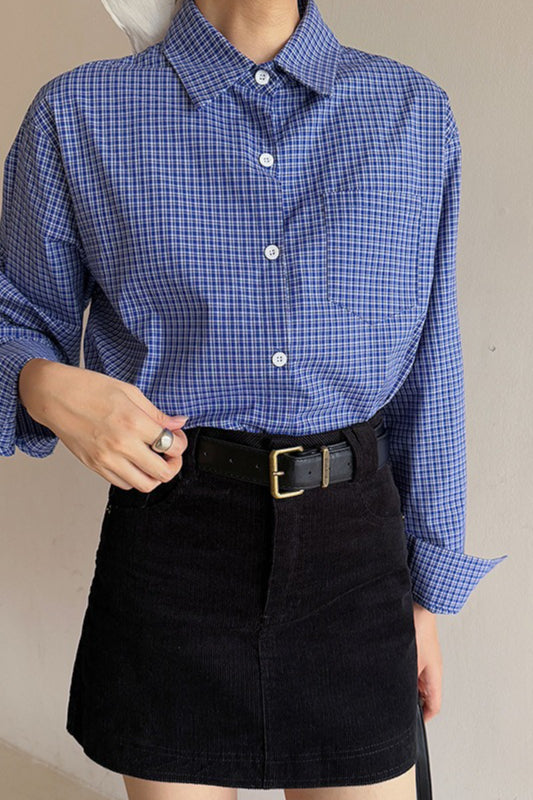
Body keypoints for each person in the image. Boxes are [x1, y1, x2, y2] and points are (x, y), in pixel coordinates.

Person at [0, 1, 508, 798]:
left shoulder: (410, 112)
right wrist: (40, 381)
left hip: (354, 557)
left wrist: (425, 598)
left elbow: (429, 366)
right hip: (172, 541)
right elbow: (16, 314)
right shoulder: (81, 112)